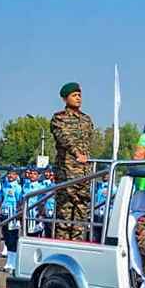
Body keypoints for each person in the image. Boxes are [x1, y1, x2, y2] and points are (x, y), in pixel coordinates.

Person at [50, 82, 94, 241]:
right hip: (66, 173)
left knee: (82, 214)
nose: (78, 98)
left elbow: (88, 143)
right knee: (65, 215)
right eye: (74, 95)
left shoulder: (86, 119)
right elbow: (64, 139)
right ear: (65, 98)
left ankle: (78, 246)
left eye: (79, 95)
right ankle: (62, 247)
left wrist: (86, 162)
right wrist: (77, 154)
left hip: (84, 174)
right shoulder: (59, 118)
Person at [0, 166, 23, 271]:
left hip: (12, 214)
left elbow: (20, 202)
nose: (10, 176)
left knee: (13, 238)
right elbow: (1, 199)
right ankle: (9, 260)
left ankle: (13, 262)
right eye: (9, 173)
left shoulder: (17, 188)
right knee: (7, 238)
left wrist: (18, 217)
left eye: (13, 174)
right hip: (4, 213)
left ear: (16, 175)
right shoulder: (4, 186)